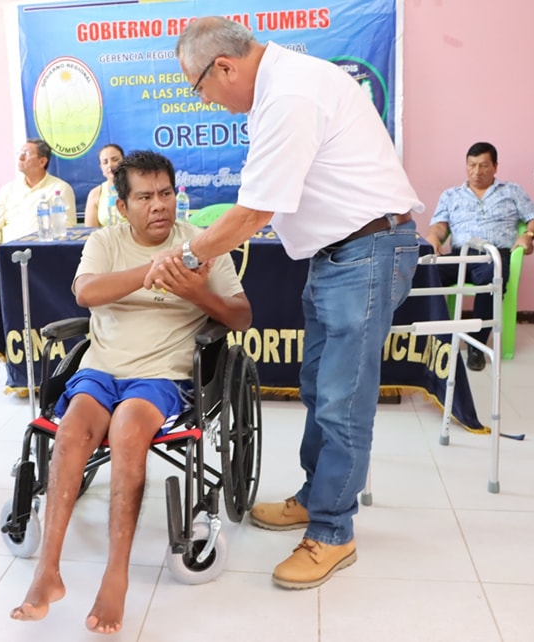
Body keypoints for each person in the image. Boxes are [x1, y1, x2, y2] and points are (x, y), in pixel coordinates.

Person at [148, 16, 422, 590]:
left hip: (365, 251)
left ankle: (332, 532)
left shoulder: (290, 93)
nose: (209, 103)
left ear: (222, 67)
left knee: (343, 402)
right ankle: (313, 496)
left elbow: (253, 213)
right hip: (338, 252)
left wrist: (184, 256)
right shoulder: (283, 85)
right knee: (320, 385)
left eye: (200, 89)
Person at [10, 150, 251, 633]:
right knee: (72, 430)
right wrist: (148, 273)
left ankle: (115, 577)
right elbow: (86, 293)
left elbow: (241, 316)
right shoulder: (105, 240)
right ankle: (47, 571)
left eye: (165, 194)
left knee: (126, 431)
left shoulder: (201, 246)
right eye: (144, 197)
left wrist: (193, 292)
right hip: (101, 368)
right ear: (122, 206)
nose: (158, 205)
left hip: (160, 375)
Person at [426, 141, 534, 371]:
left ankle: (476, 345)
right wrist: (433, 237)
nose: (476, 172)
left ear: (495, 166)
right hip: (461, 254)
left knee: (492, 280)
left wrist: (527, 235)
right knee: (423, 273)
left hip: (494, 254)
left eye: (483, 166)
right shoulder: (451, 195)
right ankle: (432, 339)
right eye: (471, 165)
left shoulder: (512, 191)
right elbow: (440, 226)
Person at [0, 139, 75, 308]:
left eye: (28, 153)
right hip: (5, 256)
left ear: (42, 161)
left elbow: (66, 228)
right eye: (20, 153)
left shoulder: (59, 189)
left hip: (41, 257)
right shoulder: (7, 190)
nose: (21, 157)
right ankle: (4, 320)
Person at [84, 143, 125, 227]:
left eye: (115, 159)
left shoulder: (137, 188)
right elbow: (90, 231)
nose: (110, 165)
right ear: (101, 167)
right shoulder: (95, 193)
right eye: (105, 162)